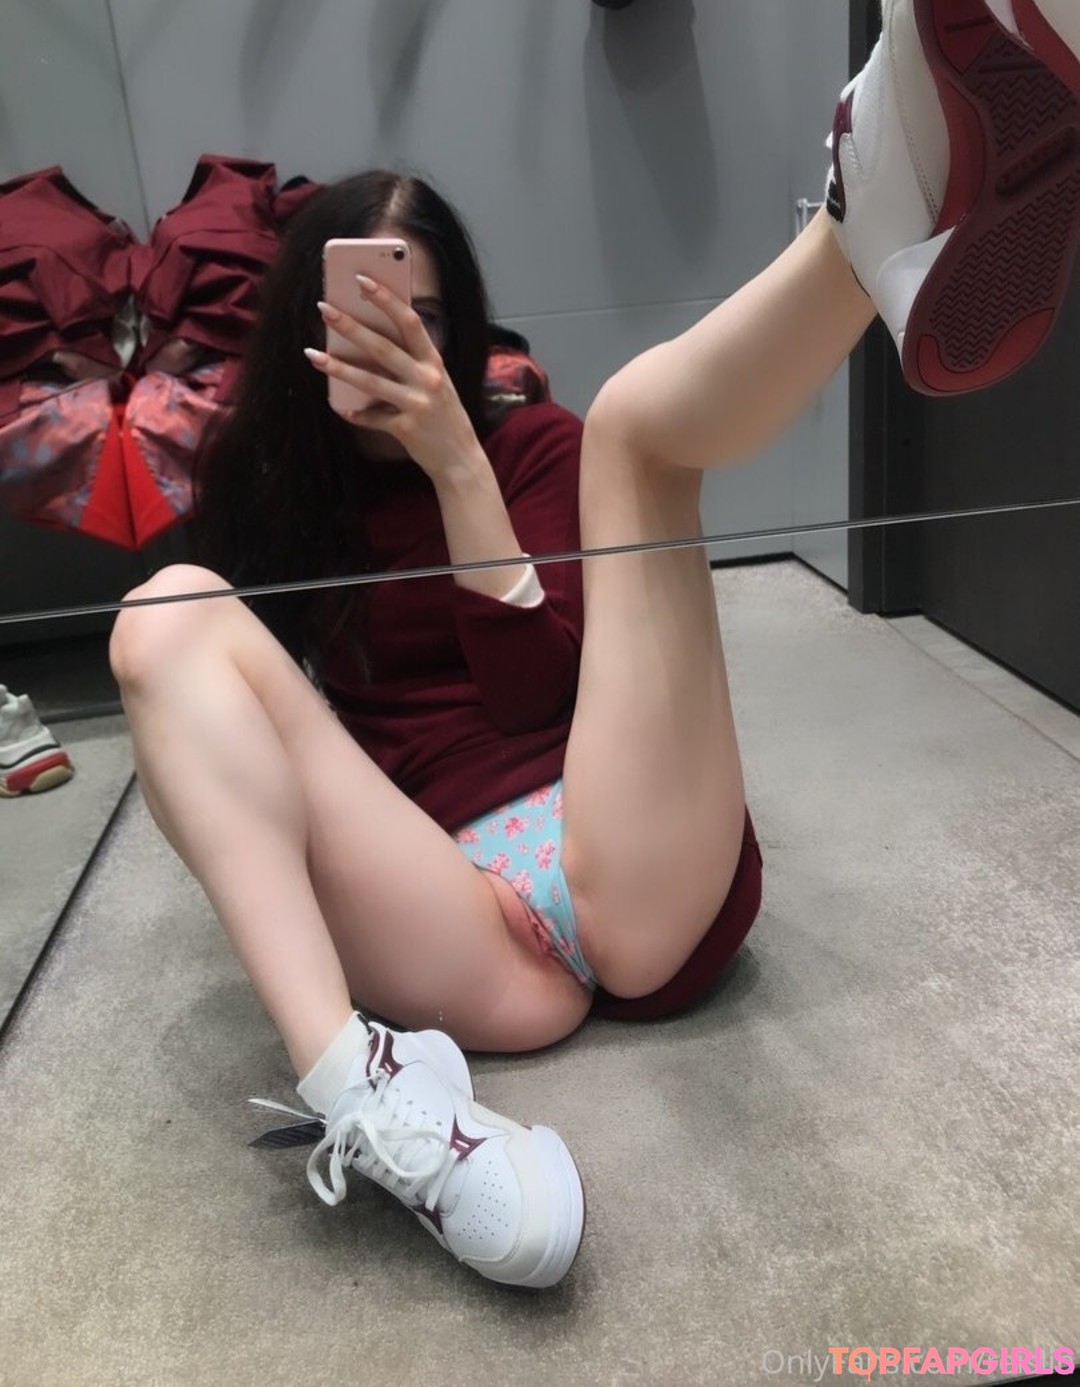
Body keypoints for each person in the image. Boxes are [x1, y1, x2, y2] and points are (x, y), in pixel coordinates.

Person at [109, 0, 1078, 1289]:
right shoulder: (275, 499)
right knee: (164, 613)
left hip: (627, 857)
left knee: (634, 434)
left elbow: (534, 701)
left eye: (427, 317)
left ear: (465, 327)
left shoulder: (530, 449)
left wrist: (460, 467)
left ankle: (880, 209)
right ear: (310, 327)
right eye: (367, 315)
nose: (402, 343)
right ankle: (368, 1094)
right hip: (462, 925)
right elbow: (234, 752)